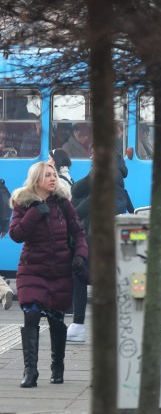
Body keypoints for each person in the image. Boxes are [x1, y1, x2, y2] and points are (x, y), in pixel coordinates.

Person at [9, 162, 87, 387]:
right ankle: (30, 371)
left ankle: (57, 367)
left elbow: (78, 232)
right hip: (32, 269)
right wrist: (34, 212)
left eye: (54, 175)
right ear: (36, 180)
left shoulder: (63, 204)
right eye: (48, 175)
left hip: (59, 271)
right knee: (31, 314)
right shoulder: (23, 203)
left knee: (56, 319)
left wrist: (80, 255)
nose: (53, 179)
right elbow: (16, 235)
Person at [67, 154, 133, 344]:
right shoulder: (119, 182)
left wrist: (72, 219)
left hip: (97, 239)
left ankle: (79, 326)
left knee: (80, 275)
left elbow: (80, 195)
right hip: (111, 240)